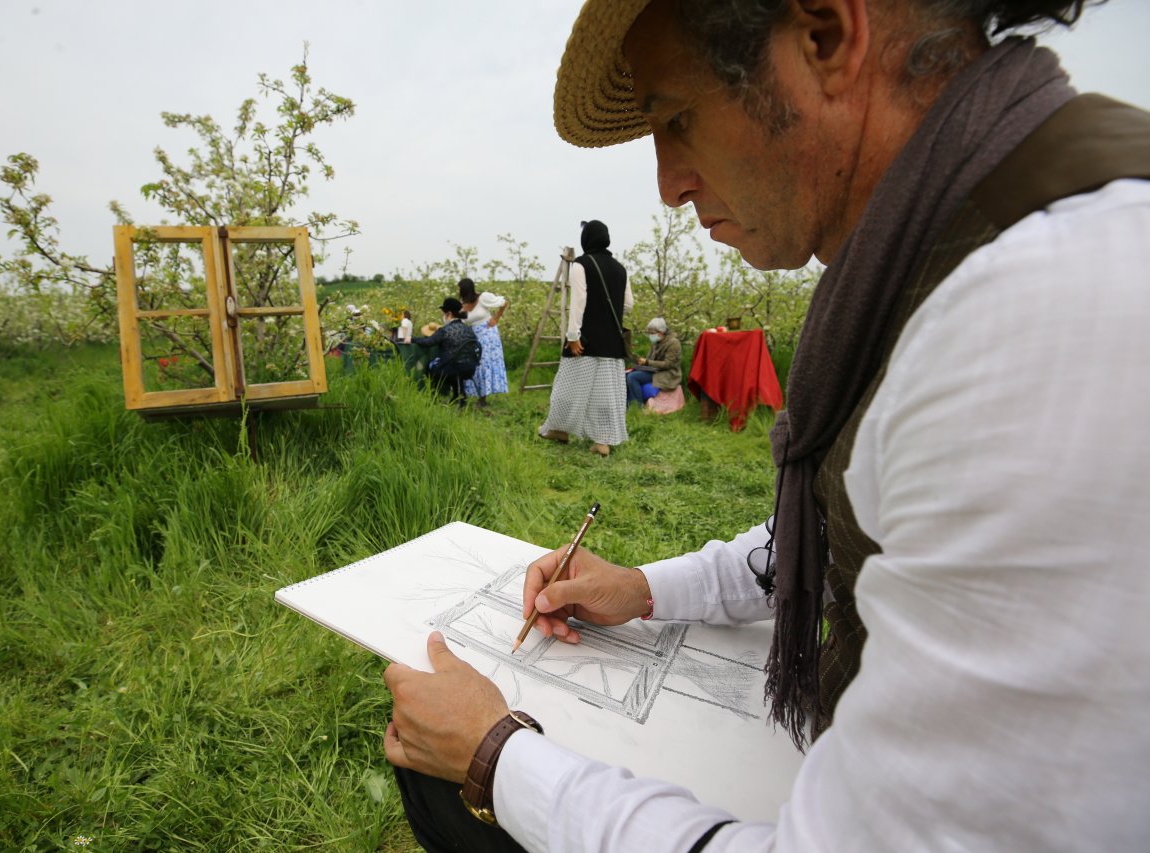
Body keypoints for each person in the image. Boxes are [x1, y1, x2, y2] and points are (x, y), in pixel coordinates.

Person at [384, 0, 1150, 851]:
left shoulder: (1040, 319)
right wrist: (644, 589)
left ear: (825, 37)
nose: (669, 184)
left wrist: (498, 757)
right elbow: (834, 534)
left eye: (678, 118)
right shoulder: (937, 254)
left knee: (450, 778)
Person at [536, 219, 634, 457]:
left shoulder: (582, 264)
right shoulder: (621, 269)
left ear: (586, 239)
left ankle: (560, 430)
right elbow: (628, 305)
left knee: (566, 389)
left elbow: (578, 302)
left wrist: (572, 335)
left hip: (585, 341)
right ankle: (603, 442)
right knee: (606, 395)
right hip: (611, 343)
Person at [412, 297, 482, 404]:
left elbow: (429, 342)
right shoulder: (468, 328)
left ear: (448, 314)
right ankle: (459, 395)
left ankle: (435, 397)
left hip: (452, 369)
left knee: (433, 366)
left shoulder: (444, 330)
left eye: (443, 313)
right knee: (454, 363)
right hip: (470, 368)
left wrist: (412, 339)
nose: (443, 316)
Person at [457, 278, 511, 407]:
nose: (458, 291)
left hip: (488, 334)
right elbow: (462, 322)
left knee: (484, 364)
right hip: (473, 336)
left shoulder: (483, 298)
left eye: (459, 288)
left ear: (465, 289)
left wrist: (496, 318)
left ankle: (482, 399)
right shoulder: (462, 305)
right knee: (474, 365)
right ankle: (471, 394)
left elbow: (504, 303)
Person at [625, 317, 681, 408]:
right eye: (649, 333)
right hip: (654, 370)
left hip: (667, 373)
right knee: (628, 374)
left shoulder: (673, 343)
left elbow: (668, 364)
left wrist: (647, 362)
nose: (650, 335)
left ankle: (638, 406)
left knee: (633, 377)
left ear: (661, 332)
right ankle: (629, 404)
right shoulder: (657, 342)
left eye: (652, 333)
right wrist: (641, 363)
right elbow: (650, 360)